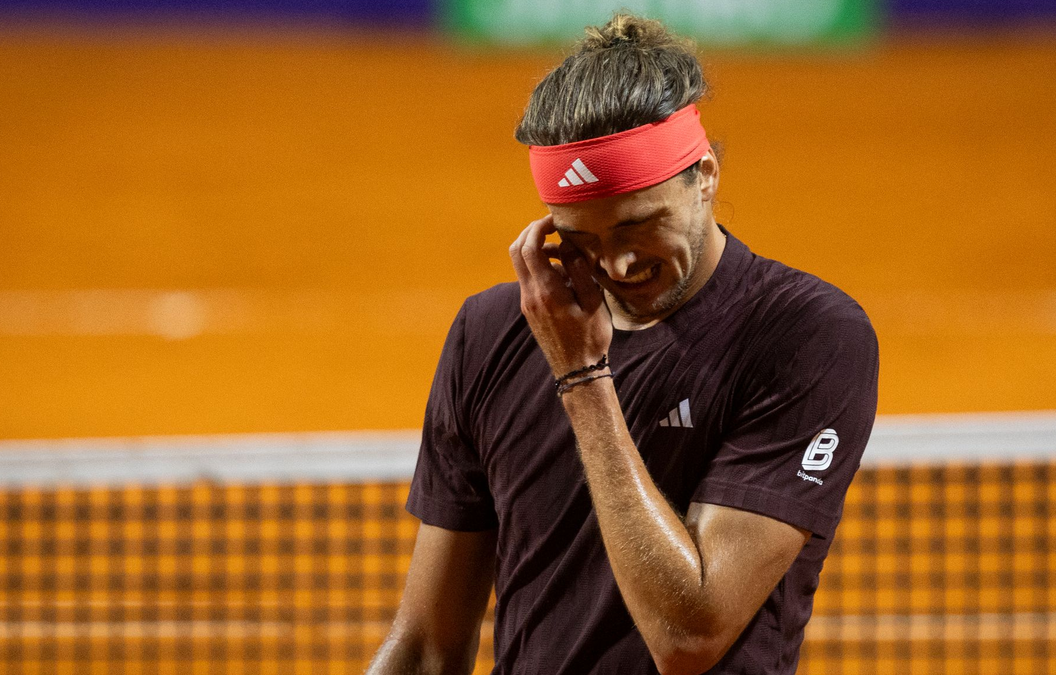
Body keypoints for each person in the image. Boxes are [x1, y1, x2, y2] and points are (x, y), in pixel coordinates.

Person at [367, 13, 878, 675]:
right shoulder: (489, 333)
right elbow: (426, 646)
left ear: (705, 175)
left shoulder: (805, 335)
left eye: (640, 225)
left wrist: (582, 377)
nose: (617, 262)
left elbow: (688, 634)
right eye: (582, 238)